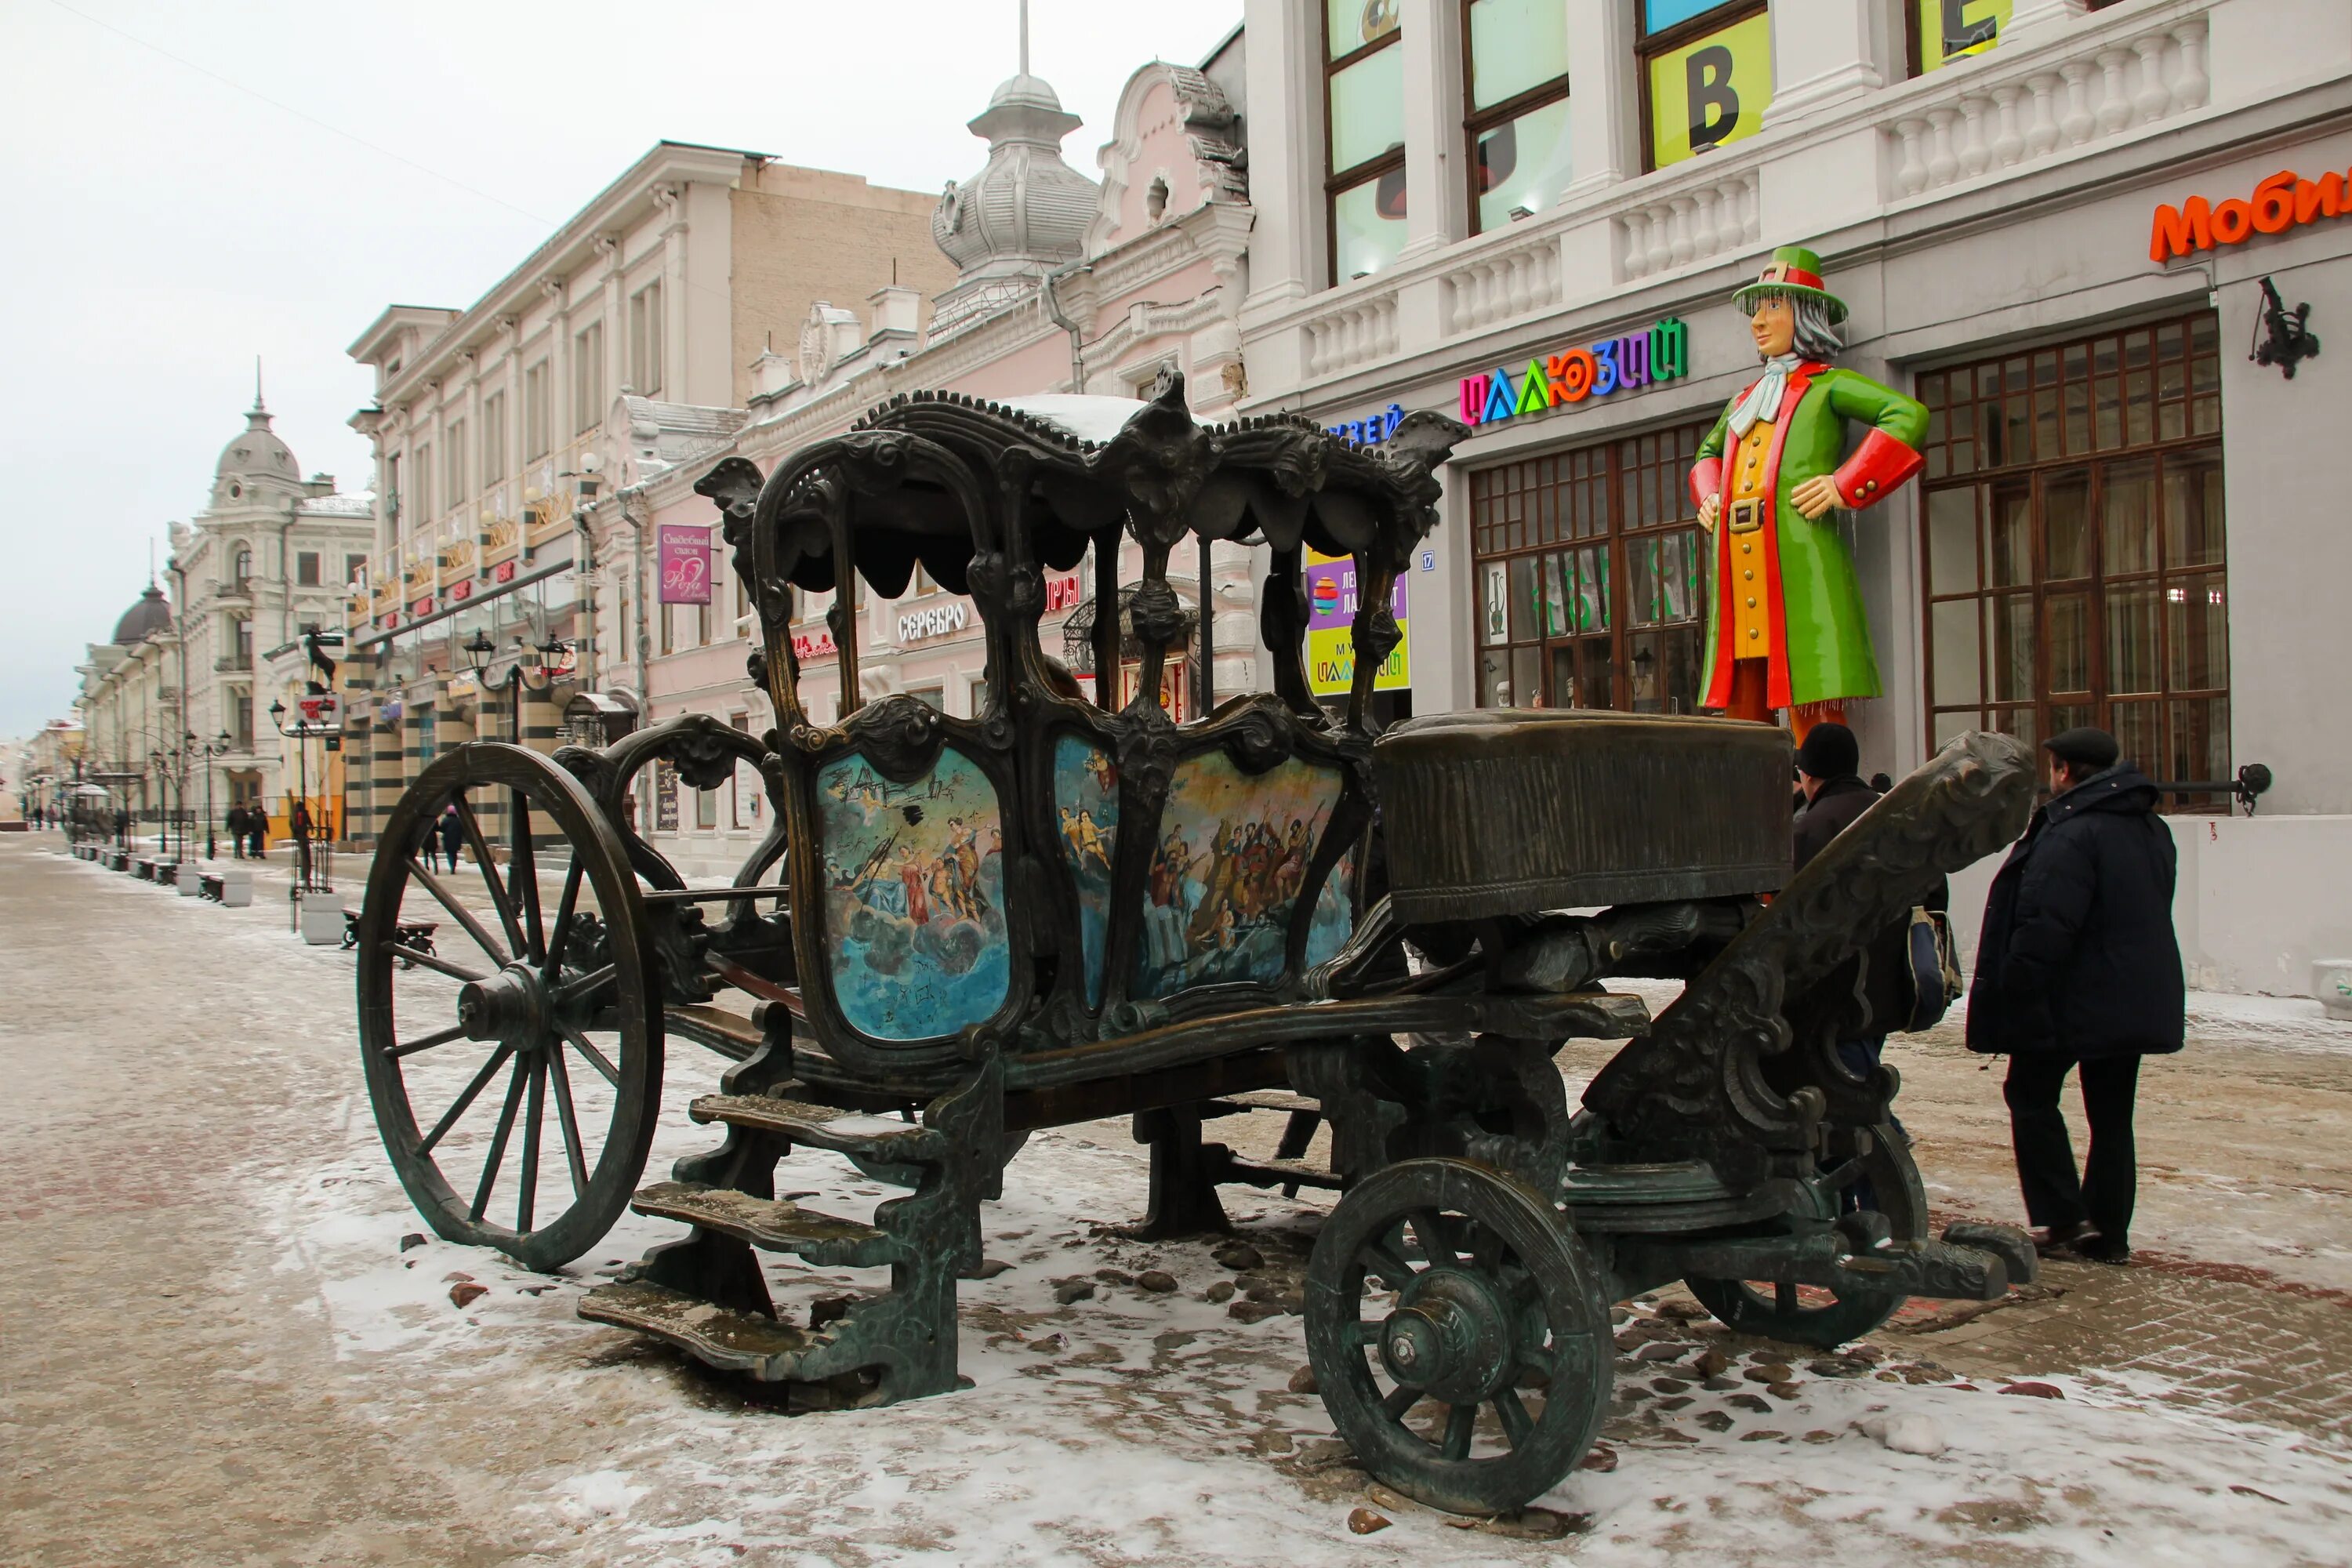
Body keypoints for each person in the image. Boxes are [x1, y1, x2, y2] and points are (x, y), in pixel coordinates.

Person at [1690, 248, 1929, 747]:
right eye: (1755, 310)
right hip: (1738, 574)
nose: (1758, 322)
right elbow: (1706, 454)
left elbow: (1905, 415)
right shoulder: (1744, 400)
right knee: (1743, 717)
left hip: (1799, 566)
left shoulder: (1828, 387)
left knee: (1812, 701)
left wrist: (1846, 484)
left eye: (1772, 307)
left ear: (1804, 316)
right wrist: (1710, 495)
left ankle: (1826, 795)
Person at [1967, 727, 2184, 1265]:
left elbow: (2047, 924)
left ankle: (2062, 1217)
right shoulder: (2151, 828)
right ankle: (2108, 1234)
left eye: (2054, 768)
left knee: (2030, 1094)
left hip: (2071, 997)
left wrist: (2016, 989)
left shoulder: (2071, 833)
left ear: (2065, 771)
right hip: (2131, 995)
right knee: (2112, 1117)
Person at [436, 803, 466, 874]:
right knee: (454, 853)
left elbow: (442, 829)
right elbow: (462, 830)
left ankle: (451, 866)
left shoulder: (446, 820)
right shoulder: (459, 820)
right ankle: (453, 866)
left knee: (449, 853)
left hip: (447, 839)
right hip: (457, 839)